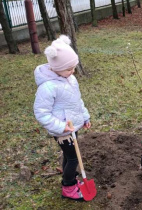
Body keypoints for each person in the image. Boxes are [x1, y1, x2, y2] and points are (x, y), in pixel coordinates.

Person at [33, 35, 91, 201]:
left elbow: (77, 101)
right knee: (73, 158)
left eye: (73, 67)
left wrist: (85, 117)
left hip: (73, 127)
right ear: (55, 67)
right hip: (63, 131)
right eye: (68, 69)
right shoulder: (48, 87)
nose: (72, 71)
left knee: (69, 156)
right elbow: (41, 113)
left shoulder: (70, 79)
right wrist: (61, 127)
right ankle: (68, 187)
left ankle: (71, 180)